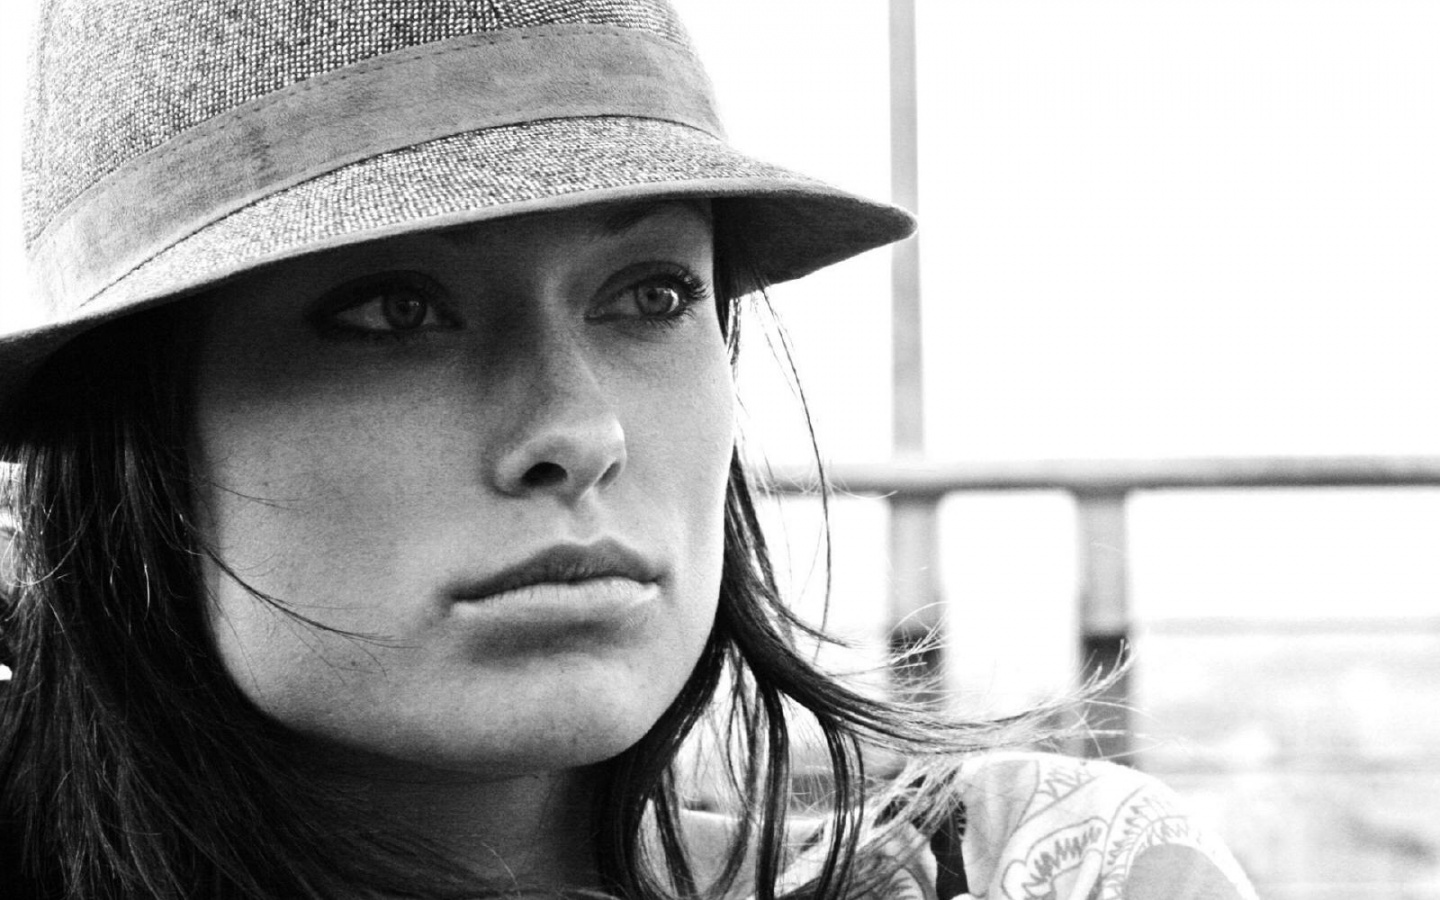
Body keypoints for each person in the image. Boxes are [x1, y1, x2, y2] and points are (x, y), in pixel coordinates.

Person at [0, 1, 1258, 898]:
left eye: (651, 295)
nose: (580, 431)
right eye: (393, 312)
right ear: (132, 437)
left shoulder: (1041, 869)